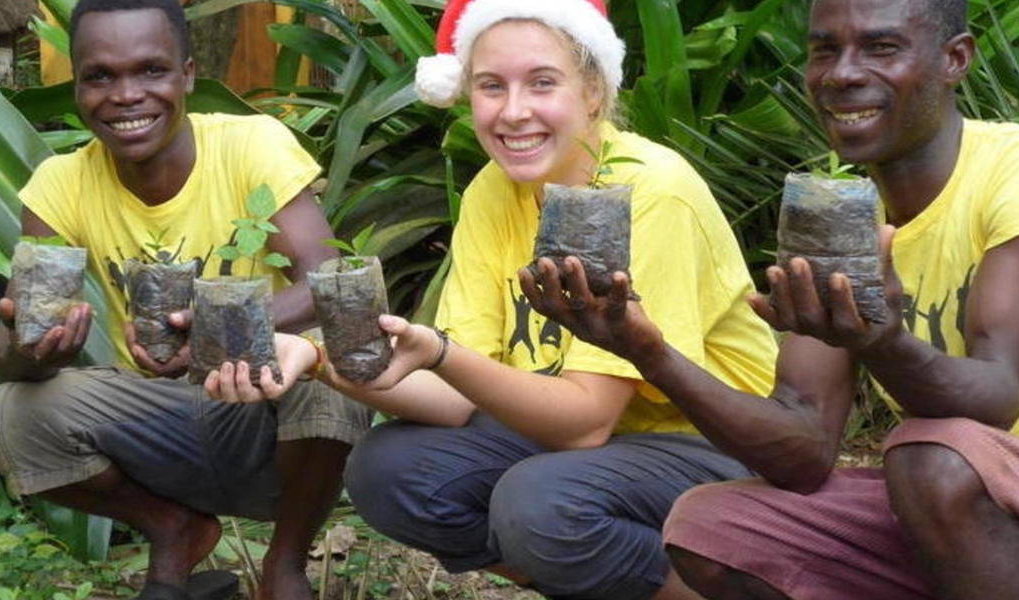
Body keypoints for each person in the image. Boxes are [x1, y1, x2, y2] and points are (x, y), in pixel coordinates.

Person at [521, 0, 1019, 598]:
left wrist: (885, 343)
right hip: (965, 523)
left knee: (932, 457)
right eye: (825, 49)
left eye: (881, 48)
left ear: (956, 59)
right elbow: (801, 450)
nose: (841, 74)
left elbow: (997, 397)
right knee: (714, 526)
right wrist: (650, 353)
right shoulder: (845, 220)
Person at [264, 0, 778, 597]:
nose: (514, 112)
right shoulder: (494, 188)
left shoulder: (650, 193)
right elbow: (457, 400)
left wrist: (440, 353)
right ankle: (593, 579)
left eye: (542, 83)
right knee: (393, 471)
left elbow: (585, 423)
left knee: (540, 503)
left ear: (593, 90)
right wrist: (317, 358)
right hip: (592, 448)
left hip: (714, 451)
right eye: (490, 86)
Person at [0, 1, 371, 599]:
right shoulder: (59, 186)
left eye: (150, 71)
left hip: (261, 404)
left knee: (320, 364)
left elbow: (326, 277)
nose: (125, 95)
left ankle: (283, 566)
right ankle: (172, 529)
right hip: (158, 412)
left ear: (186, 75)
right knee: (9, 417)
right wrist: (32, 346)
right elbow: (8, 352)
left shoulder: (250, 145)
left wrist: (215, 331)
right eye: (100, 76)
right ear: (75, 86)